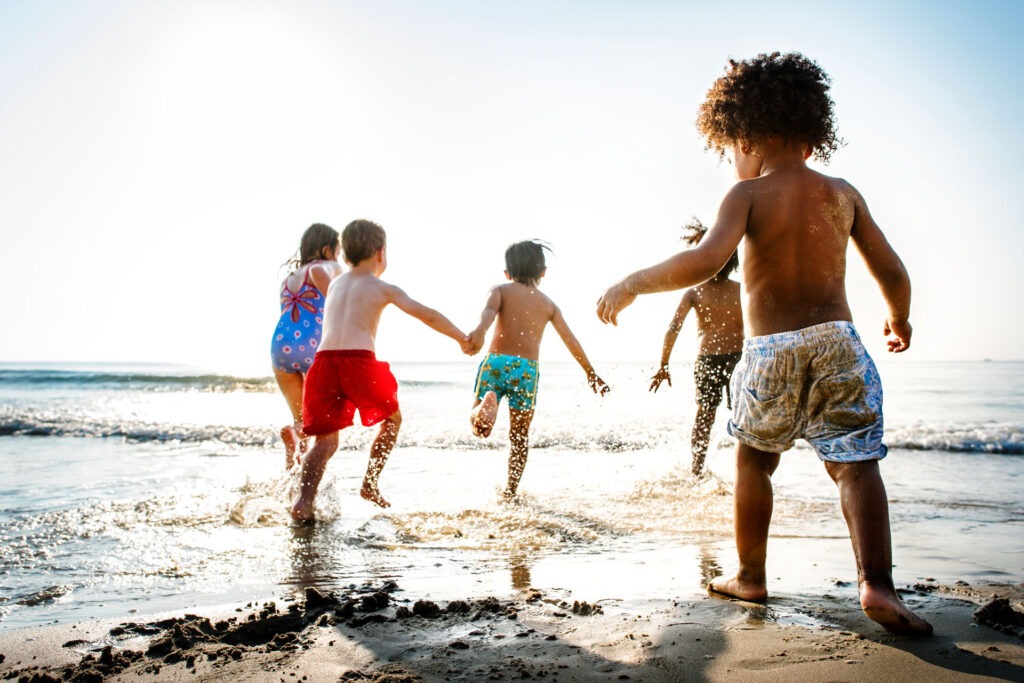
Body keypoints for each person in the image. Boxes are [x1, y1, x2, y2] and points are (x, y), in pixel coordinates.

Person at [596, 52, 931, 635]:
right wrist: (898, 318)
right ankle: (877, 583)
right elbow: (892, 269)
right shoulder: (843, 193)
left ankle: (750, 575)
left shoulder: (746, 195)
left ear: (746, 135)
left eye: (730, 147)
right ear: (811, 133)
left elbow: (705, 261)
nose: (733, 159)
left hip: (770, 349)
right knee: (855, 464)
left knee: (754, 459)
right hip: (839, 343)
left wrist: (632, 284)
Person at [291, 219, 471, 523]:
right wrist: (461, 338)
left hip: (322, 364)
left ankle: (303, 502)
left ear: (345, 254)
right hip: (358, 362)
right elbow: (426, 315)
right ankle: (370, 483)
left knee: (324, 441)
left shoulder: (335, 284)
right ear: (380, 253)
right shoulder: (382, 288)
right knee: (392, 420)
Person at [468, 240, 609, 499]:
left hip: (496, 361)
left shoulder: (500, 291)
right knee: (519, 437)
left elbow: (488, 313)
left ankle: (487, 403)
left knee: (478, 426)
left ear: (507, 273)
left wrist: (479, 332)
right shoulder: (548, 305)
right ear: (543, 272)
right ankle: (510, 491)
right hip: (526, 371)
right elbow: (570, 340)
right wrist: (590, 373)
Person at [649, 218, 743, 477]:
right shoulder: (737, 291)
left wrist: (664, 364)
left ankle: (700, 470)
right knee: (737, 416)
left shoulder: (698, 292)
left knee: (708, 415)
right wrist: (663, 363)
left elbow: (673, 328)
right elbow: (673, 327)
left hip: (718, 359)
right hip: (732, 359)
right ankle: (711, 470)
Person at [270, 223, 344, 469]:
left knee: (302, 420)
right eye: (337, 252)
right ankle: (308, 483)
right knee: (325, 427)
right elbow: (340, 303)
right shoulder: (326, 267)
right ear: (327, 249)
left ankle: (293, 470)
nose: (338, 258)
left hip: (280, 348)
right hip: (315, 348)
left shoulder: (288, 279)